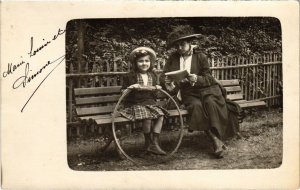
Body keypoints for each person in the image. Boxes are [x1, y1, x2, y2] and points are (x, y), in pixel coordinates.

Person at [161, 26, 241, 158]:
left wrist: (197, 78)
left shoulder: (200, 56)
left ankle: (217, 139)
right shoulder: (173, 58)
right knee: (196, 106)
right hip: (188, 92)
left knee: (211, 103)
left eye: (182, 44)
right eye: (177, 45)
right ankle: (215, 140)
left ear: (189, 43)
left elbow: (209, 77)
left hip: (206, 89)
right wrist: (167, 81)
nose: (179, 48)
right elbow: (164, 75)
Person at [119, 47, 169, 155]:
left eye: (146, 61)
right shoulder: (130, 76)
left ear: (150, 62)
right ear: (135, 63)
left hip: (149, 103)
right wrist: (131, 87)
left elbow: (155, 94)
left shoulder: (153, 75)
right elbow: (123, 93)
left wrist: (157, 88)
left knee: (161, 115)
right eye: (140, 61)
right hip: (134, 104)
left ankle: (154, 144)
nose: (144, 63)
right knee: (147, 116)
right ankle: (148, 142)